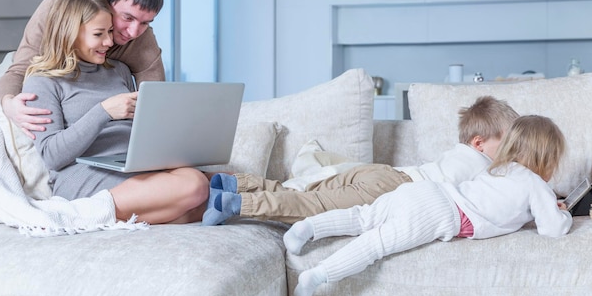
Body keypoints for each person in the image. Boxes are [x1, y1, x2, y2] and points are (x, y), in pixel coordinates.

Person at [284, 115, 572, 296]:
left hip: (425, 189)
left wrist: (544, 206)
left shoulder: (498, 169)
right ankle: (317, 277)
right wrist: (563, 212)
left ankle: (308, 227)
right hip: (440, 213)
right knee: (375, 245)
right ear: (546, 159)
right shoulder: (535, 184)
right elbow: (553, 229)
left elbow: (503, 207)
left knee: (363, 217)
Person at [22, 0, 208, 224]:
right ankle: (82, 214)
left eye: (110, 31)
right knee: (196, 185)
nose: (109, 42)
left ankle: (147, 217)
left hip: (129, 166)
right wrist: (103, 111)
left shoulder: (117, 69)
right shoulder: (42, 81)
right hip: (83, 175)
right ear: (69, 34)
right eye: (99, 34)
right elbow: (52, 156)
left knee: (212, 181)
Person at [202, 96, 519, 225]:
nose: (514, 155)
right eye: (509, 146)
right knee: (316, 206)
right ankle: (236, 204)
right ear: (479, 143)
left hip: (381, 175)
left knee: (308, 193)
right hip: (392, 188)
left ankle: (236, 183)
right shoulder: (480, 165)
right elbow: (504, 198)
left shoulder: (460, 152)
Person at [0, 0, 165, 139]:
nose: (133, 32)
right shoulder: (57, 9)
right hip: (38, 67)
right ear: (104, 1)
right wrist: (8, 104)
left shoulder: (144, 41)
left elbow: (154, 101)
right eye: (127, 18)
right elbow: (19, 70)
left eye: (145, 23)